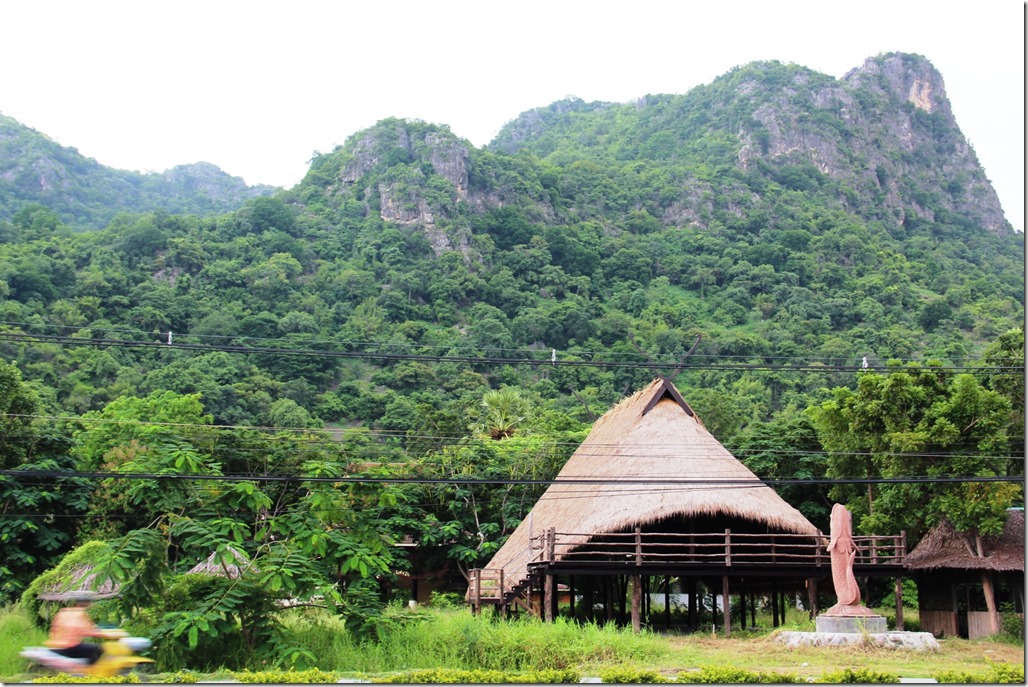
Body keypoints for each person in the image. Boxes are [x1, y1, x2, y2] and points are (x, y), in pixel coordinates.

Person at [45, 593, 123, 664]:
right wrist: (106, 634)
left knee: (88, 648)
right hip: (70, 646)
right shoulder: (80, 614)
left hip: (56, 645)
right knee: (97, 649)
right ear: (87, 604)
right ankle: (91, 673)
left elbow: (54, 628)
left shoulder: (63, 612)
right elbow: (88, 631)